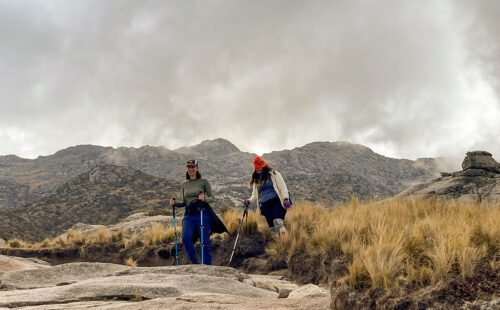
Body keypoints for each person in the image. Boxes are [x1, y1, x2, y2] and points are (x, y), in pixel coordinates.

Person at [170, 159, 227, 265]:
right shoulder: (184, 184)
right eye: (189, 167)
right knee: (186, 238)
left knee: (204, 242)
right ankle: (195, 263)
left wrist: (204, 198)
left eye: (193, 167)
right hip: (189, 215)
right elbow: (184, 202)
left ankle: (207, 266)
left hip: (202, 213)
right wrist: (175, 203)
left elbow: (212, 198)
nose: (191, 169)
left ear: (197, 168)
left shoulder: (203, 182)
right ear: (186, 169)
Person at [244, 156, 291, 237]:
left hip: (276, 201)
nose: (259, 170)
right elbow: (255, 195)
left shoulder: (274, 174)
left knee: (277, 222)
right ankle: (277, 244)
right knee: (272, 227)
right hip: (265, 205)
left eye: (260, 168)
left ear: (264, 166)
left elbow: (282, 187)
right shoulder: (256, 180)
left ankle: (285, 242)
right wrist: (249, 201)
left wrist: (286, 199)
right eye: (257, 169)